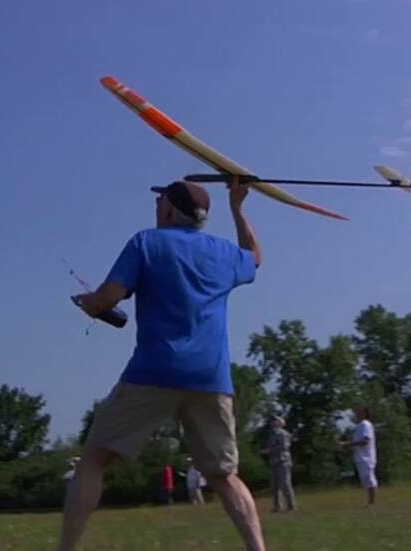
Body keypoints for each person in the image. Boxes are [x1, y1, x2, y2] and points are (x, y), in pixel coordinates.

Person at [55, 178, 266, 551]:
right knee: (225, 475)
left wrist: (89, 304)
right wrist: (238, 206)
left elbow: (107, 298)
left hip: (153, 370)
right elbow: (255, 257)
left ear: (169, 209)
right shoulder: (223, 253)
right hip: (211, 377)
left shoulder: (145, 243)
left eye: (159, 203)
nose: (155, 209)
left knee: (93, 461)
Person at [341, 406, 377, 507]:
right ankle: (370, 501)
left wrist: (348, 444)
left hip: (367, 457)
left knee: (369, 478)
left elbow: (365, 441)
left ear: (365, 413)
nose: (356, 414)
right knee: (365, 480)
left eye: (359, 412)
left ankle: (372, 502)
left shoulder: (365, 424)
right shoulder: (359, 426)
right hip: (361, 457)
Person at [260, 416, 296, 512]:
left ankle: (291, 506)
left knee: (286, 484)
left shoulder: (283, 434)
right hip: (274, 462)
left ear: (280, 423)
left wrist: (269, 450)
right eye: (271, 421)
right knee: (274, 486)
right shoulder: (271, 435)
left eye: (274, 421)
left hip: (283, 461)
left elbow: (284, 447)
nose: (272, 423)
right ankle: (277, 506)